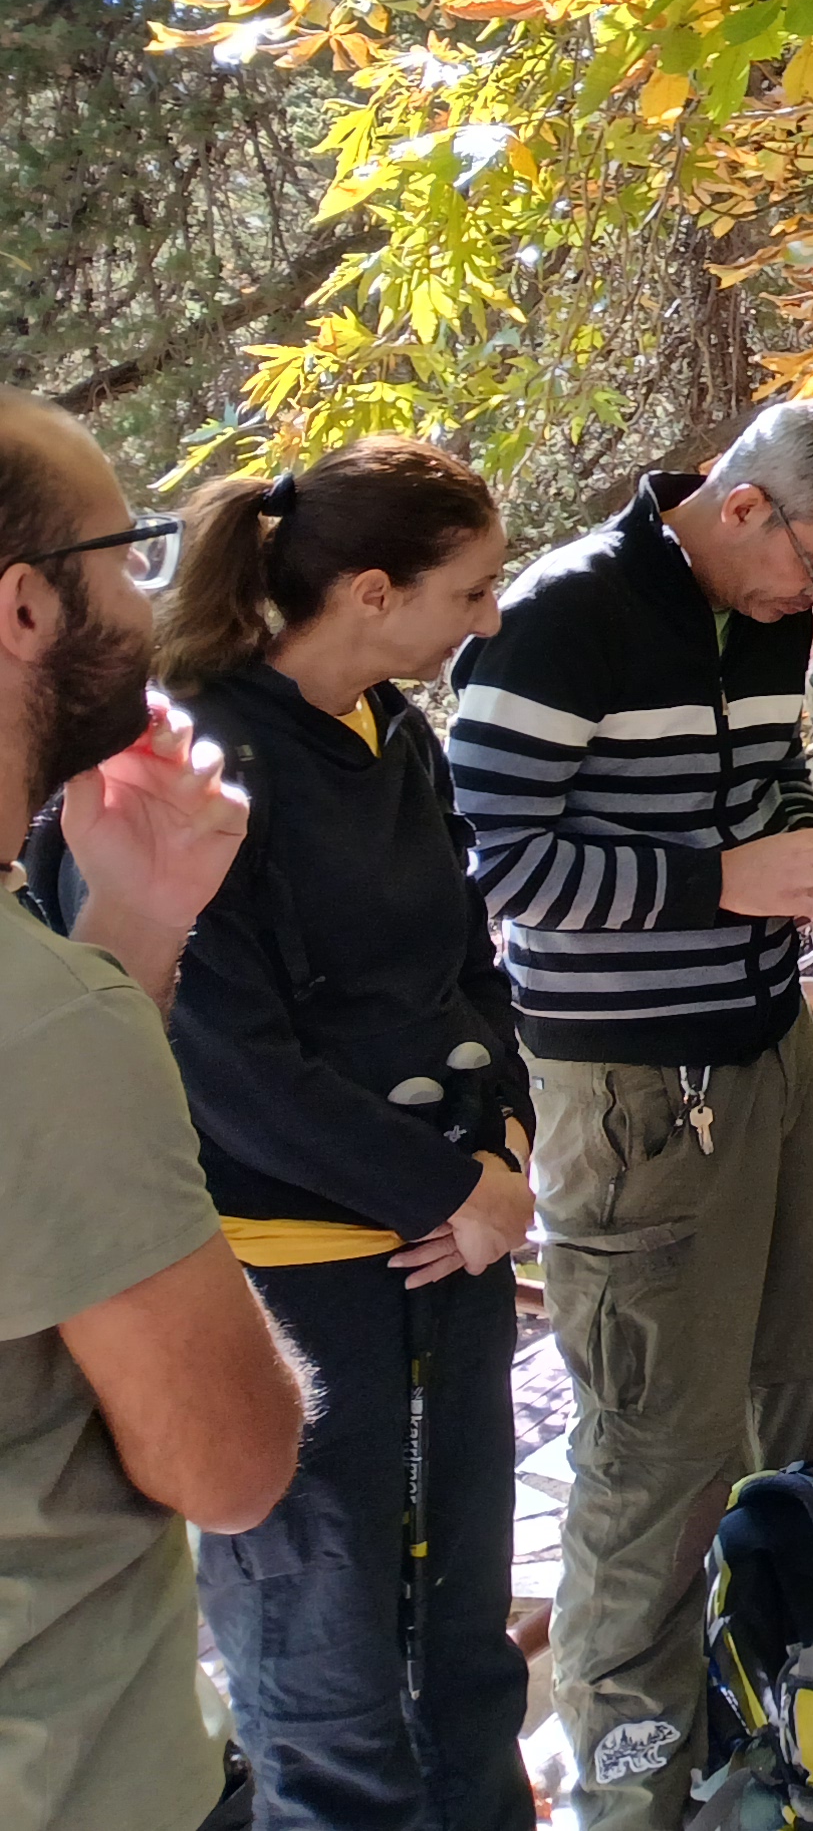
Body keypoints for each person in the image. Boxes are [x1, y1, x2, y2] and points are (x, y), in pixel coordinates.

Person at [447, 399, 813, 1829]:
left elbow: (759, 778)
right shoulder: (558, 618)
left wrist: (811, 855)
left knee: (808, 1400)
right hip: (632, 1084)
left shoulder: (771, 617)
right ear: (747, 505)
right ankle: (631, 1786)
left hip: (766, 1049)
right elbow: (499, 864)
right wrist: (729, 883)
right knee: (656, 1456)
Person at [151, 443, 536, 1831]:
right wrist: (449, 1187)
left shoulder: (398, 731)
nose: (487, 620)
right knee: (331, 1684)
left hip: (453, 1244)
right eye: (470, 591)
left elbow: (470, 964)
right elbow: (224, 1060)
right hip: (296, 1280)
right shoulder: (192, 755)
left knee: (466, 1650)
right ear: (371, 591)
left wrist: (504, 1145)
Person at [0, 393, 305, 1831]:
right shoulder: (44, 1020)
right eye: (128, 552)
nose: (149, 595)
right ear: (23, 611)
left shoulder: (55, 1007)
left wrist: (133, 924)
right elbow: (231, 1467)